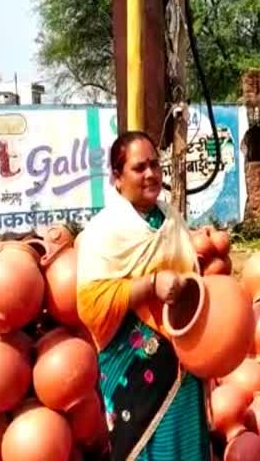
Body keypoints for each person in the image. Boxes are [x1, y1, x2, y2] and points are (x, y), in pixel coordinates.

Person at [76, 131, 211, 461]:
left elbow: (193, 279)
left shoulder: (172, 221)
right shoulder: (103, 232)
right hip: (134, 370)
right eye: (139, 168)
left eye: (155, 165)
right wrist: (150, 285)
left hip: (182, 361)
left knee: (187, 443)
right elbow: (91, 303)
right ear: (117, 178)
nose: (150, 174)